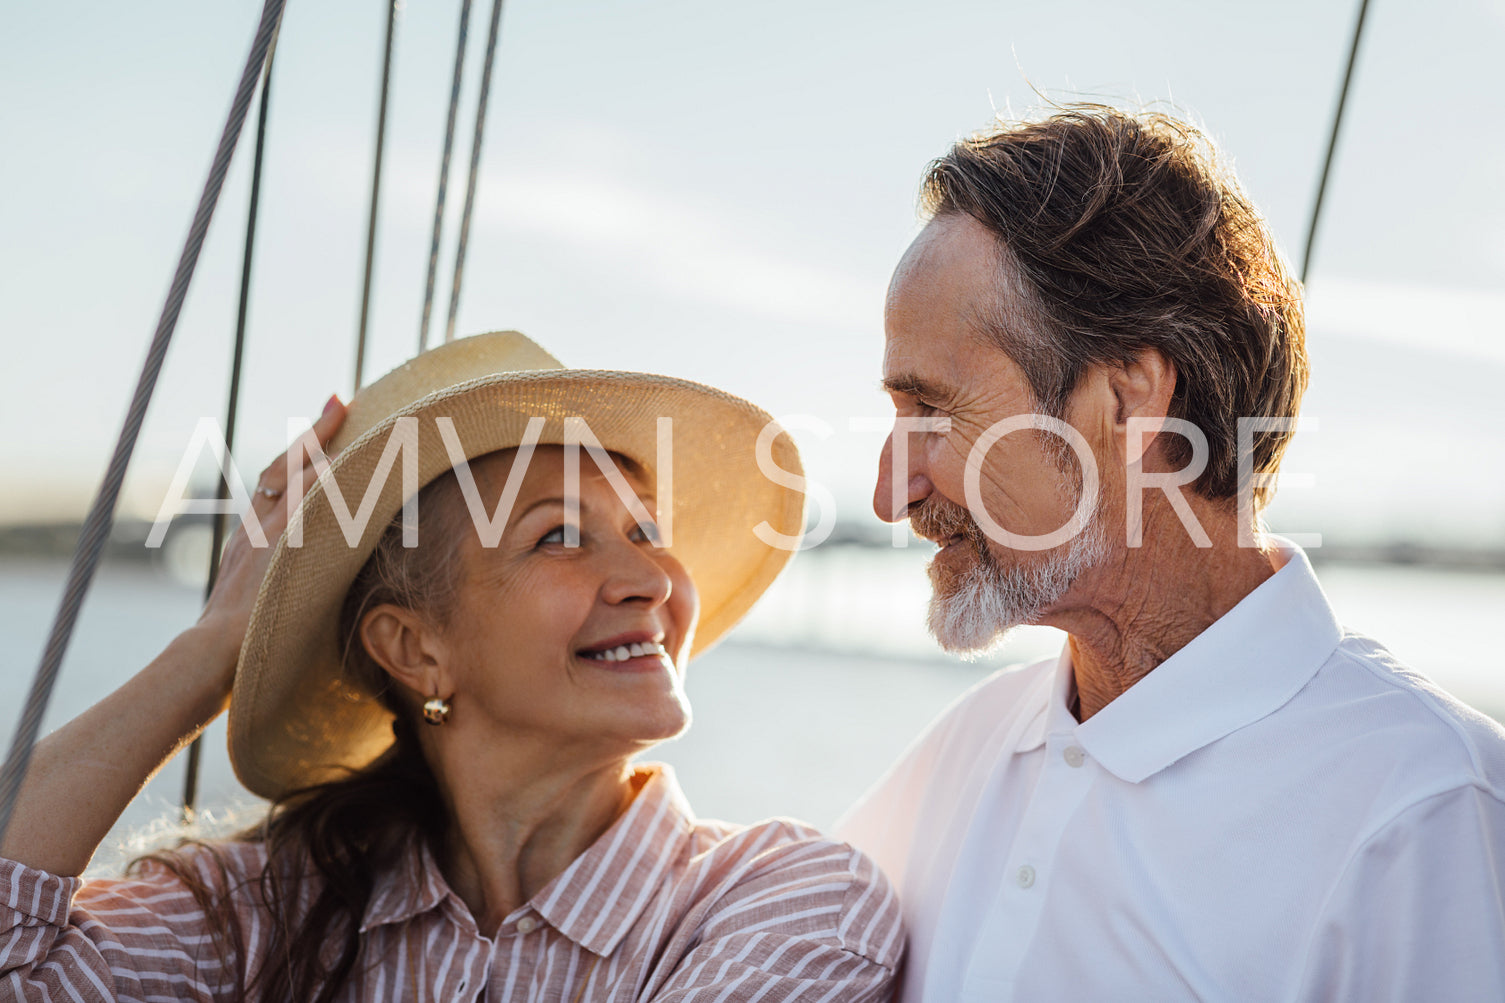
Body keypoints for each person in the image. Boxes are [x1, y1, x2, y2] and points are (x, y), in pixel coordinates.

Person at [0, 332, 902, 1001]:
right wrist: (212, 649)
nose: (648, 578)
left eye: (646, 531)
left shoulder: (786, 902)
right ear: (414, 648)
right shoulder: (265, 912)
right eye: (559, 536)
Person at [837, 105, 1505, 1000]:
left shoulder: (1424, 812)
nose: (891, 492)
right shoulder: (965, 752)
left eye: (930, 411)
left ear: (1126, 399)